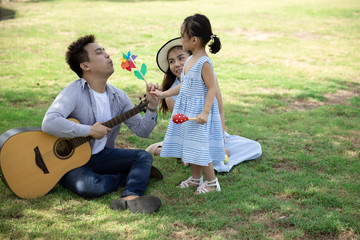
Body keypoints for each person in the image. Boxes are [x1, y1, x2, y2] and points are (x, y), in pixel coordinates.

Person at [42, 35, 162, 214]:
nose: (107, 54)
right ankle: (126, 175)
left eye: (105, 50)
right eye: (99, 52)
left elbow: (142, 131)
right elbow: (49, 123)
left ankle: (130, 196)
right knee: (90, 187)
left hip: (100, 156)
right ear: (85, 66)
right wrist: (89, 130)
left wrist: (152, 106)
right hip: (72, 162)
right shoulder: (74, 92)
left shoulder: (118, 96)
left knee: (143, 157)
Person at [147, 37, 262, 173]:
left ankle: (175, 152)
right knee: (211, 161)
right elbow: (183, 128)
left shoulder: (207, 76)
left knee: (255, 148)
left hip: (214, 131)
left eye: (180, 58)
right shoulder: (171, 96)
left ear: (191, 58)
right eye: (171, 61)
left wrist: (221, 142)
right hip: (192, 138)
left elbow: (219, 111)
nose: (176, 64)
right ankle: (179, 152)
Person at [151, 14, 224, 194]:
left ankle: (212, 182)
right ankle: (195, 178)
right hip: (188, 109)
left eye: (183, 35)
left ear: (194, 40)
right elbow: (184, 86)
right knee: (190, 144)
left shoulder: (204, 63)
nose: (181, 38)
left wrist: (206, 112)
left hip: (200, 111)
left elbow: (212, 88)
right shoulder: (189, 61)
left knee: (200, 146)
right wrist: (163, 94)